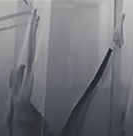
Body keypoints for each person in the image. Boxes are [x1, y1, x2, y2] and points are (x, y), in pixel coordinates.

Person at [7, 8, 124, 136]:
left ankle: (113, 44)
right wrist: (32, 28)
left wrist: (32, 27)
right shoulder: (21, 101)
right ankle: (113, 43)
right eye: (25, 78)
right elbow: (29, 62)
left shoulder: (14, 107)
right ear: (19, 82)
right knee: (84, 101)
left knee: (84, 102)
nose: (30, 81)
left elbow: (8, 123)